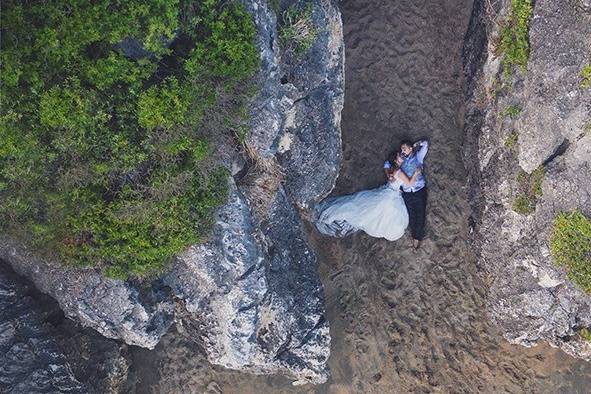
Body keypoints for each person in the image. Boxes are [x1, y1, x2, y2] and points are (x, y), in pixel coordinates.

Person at [314, 154, 421, 241]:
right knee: (368, 211)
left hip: (388, 192)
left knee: (364, 207)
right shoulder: (398, 171)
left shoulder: (396, 170)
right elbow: (409, 183)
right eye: (399, 155)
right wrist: (415, 174)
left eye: (401, 156)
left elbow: (393, 178)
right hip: (390, 193)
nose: (398, 156)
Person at [399, 139, 429, 249]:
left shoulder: (417, 157)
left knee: (420, 213)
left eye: (404, 148)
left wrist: (417, 143)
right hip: (407, 192)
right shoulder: (401, 161)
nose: (402, 151)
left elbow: (426, 145)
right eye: (402, 149)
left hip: (418, 189)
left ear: (410, 149)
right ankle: (414, 236)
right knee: (411, 214)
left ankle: (417, 238)